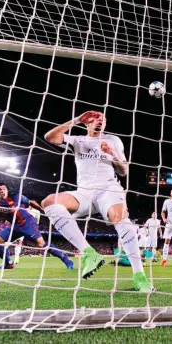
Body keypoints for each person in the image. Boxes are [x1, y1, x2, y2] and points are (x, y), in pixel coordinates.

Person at [42, 110, 154, 292]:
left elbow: (123, 171)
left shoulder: (113, 140)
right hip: (84, 192)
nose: (100, 121)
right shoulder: (78, 140)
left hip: (108, 189)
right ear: (87, 123)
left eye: (103, 119)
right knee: (49, 201)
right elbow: (50, 137)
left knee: (120, 218)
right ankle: (88, 253)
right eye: (95, 119)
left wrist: (113, 156)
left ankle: (139, 277)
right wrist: (76, 119)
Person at [0, 183, 73, 270]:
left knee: (42, 244)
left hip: (27, 223)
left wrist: (43, 211)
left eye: (4, 189)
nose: (2, 191)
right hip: (13, 227)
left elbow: (31, 202)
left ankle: (65, 259)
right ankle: (8, 263)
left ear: (7, 190)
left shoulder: (16, 196)